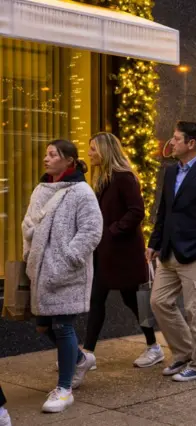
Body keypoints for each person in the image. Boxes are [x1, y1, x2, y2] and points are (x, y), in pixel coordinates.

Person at [22, 139, 103, 413]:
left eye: (52, 154)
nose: (46, 159)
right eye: (46, 154)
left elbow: (92, 230)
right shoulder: (41, 188)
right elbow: (28, 224)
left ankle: (64, 389)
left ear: (69, 160)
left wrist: (68, 258)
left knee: (62, 326)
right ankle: (80, 358)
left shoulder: (81, 192)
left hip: (66, 272)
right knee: (44, 326)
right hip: (41, 271)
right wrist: (28, 254)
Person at [148, 121, 196, 382]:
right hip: (169, 252)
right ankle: (183, 353)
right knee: (159, 302)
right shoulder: (170, 172)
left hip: (195, 255)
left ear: (191, 143)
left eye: (176, 138)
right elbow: (163, 211)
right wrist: (154, 242)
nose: (171, 143)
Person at [83, 132, 164, 368]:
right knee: (97, 298)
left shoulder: (123, 177)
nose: (89, 154)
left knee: (132, 300)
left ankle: (153, 346)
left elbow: (137, 211)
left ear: (106, 151)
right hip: (106, 252)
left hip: (123, 253)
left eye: (93, 149)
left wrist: (112, 230)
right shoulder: (103, 178)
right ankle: (88, 353)